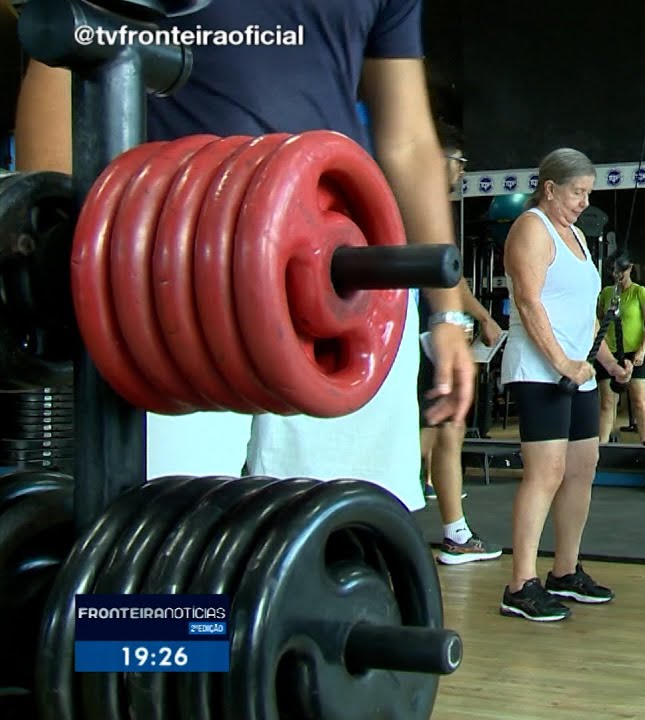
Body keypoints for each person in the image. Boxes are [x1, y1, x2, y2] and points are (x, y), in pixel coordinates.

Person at [13, 0, 474, 515]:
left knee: (348, 530)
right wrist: (69, 257)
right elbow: (61, 65)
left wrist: (448, 311)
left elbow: (408, 140)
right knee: (158, 543)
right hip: (174, 279)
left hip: (338, 277)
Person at [499, 148, 632, 622]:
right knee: (546, 473)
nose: (583, 201)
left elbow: (581, 314)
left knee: (582, 467)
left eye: (588, 193)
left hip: (578, 372)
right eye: (577, 192)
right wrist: (562, 364)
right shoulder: (531, 229)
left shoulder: (575, 233)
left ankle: (565, 571)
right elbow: (530, 305)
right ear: (550, 187)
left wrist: (609, 364)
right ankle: (520, 584)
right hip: (540, 372)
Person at [418, 121, 503, 564]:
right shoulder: (413, 200)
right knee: (434, 429)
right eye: (458, 163)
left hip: (429, 330)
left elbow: (452, 276)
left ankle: (454, 532)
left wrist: (477, 316)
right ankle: (434, 529)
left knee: (444, 428)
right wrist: (466, 318)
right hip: (415, 332)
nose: (460, 173)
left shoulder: (428, 207)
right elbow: (443, 276)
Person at [595, 251, 645, 444]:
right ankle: (601, 447)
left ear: (629, 268)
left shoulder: (640, 292)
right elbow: (598, 321)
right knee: (607, 402)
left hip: (635, 352)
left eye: (621, 270)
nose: (618, 275)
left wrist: (641, 350)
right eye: (614, 271)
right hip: (610, 353)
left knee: (638, 399)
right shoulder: (606, 293)